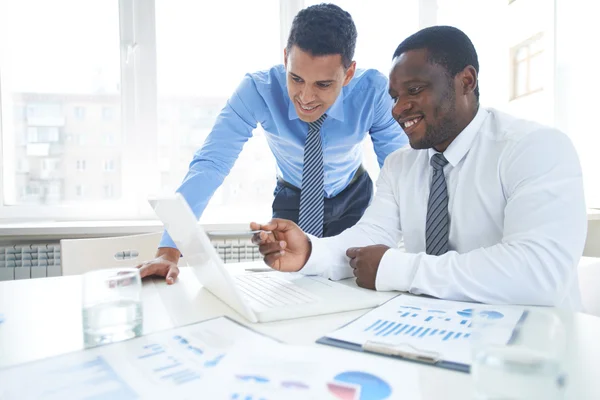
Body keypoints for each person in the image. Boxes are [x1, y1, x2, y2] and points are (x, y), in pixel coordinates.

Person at [252, 26, 587, 309]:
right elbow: (369, 238)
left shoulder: (535, 148)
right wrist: (309, 252)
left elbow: (539, 273)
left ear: (466, 81)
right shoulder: (401, 164)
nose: (398, 109)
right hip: (434, 335)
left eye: (414, 91)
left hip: (532, 353)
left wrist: (398, 269)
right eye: (394, 96)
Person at [136, 4, 408, 284]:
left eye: (323, 85)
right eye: (296, 78)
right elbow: (211, 164)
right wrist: (169, 250)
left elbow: (402, 170)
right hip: (292, 198)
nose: (305, 97)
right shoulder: (257, 89)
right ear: (285, 58)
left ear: (348, 74)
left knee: (354, 285)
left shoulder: (373, 92)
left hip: (353, 196)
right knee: (293, 287)